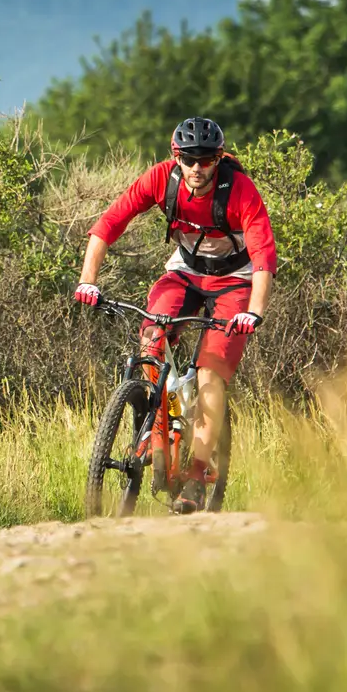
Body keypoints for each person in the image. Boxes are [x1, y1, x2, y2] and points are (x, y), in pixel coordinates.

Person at [73, 117, 277, 513]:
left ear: (218, 158)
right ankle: (155, 427)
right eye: (189, 159)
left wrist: (254, 311)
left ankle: (198, 474)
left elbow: (263, 255)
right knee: (152, 338)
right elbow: (108, 224)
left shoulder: (238, 190)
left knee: (210, 373)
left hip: (235, 280)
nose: (197, 168)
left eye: (206, 160)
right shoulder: (161, 179)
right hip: (184, 272)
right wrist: (88, 281)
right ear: (175, 156)